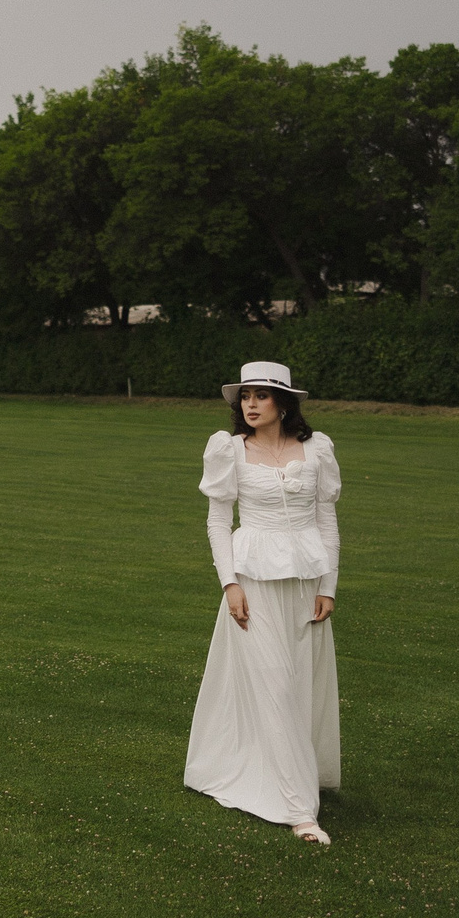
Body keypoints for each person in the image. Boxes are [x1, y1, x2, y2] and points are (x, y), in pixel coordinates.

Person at [183, 360, 341, 844]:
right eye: (245, 397)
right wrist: (229, 584)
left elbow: (327, 522)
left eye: (261, 396)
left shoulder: (317, 449)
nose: (250, 405)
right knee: (274, 683)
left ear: (284, 402)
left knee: (298, 686)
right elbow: (217, 522)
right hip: (253, 583)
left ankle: (291, 770)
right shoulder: (229, 449)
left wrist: (329, 586)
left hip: (304, 584)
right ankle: (299, 812)